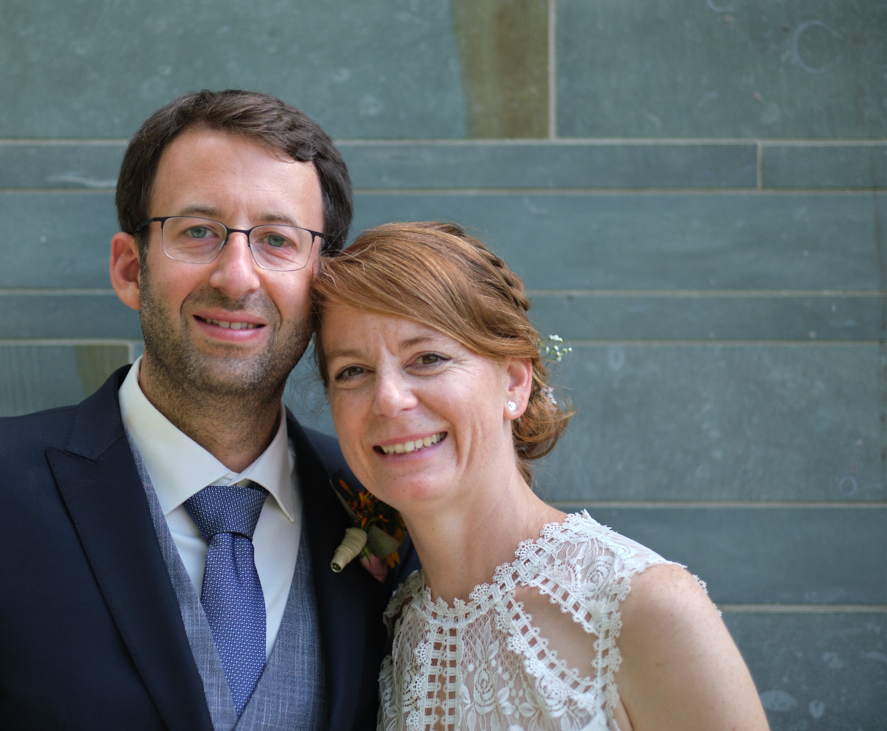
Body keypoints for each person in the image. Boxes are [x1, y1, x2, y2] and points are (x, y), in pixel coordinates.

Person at [0, 90, 394, 731]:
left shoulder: (384, 499)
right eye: (197, 231)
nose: (237, 277)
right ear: (129, 268)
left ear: (323, 283)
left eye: (278, 240)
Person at [312, 222, 770, 731]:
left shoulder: (640, 606)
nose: (388, 399)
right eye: (352, 371)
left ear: (514, 382)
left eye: (428, 358)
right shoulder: (395, 628)